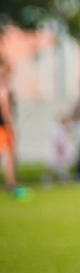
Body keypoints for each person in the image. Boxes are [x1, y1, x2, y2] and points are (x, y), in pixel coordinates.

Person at [0, 62, 20, 197]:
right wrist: (11, 126)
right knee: (9, 157)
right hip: (4, 128)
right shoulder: (4, 90)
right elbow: (6, 111)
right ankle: (11, 185)